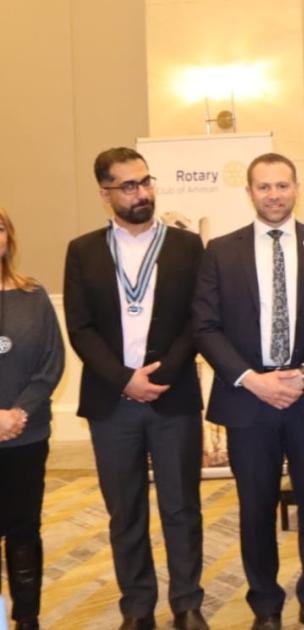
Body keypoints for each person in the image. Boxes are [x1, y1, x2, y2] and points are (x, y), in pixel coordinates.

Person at [192, 153, 304, 630]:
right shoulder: (220, 251)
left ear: (296, 188)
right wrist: (251, 379)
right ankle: (266, 605)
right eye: (264, 187)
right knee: (255, 508)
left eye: (282, 185)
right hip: (248, 400)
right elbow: (205, 325)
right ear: (250, 192)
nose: (274, 195)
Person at [63, 147, 208, 630]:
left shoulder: (187, 246)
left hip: (173, 397)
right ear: (105, 194)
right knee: (125, 510)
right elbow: (80, 328)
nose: (141, 193)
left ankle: (187, 603)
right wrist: (125, 379)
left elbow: (197, 320)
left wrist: (158, 377)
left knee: (181, 506)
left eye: (145, 182)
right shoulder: (83, 250)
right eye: (128, 186)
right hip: (112, 402)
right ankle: (138, 606)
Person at [0, 207, 66, 630]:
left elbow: (52, 361)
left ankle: (27, 617)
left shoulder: (33, 295)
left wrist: (18, 412)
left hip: (26, 434)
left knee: (24, 527)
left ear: (8, 237)